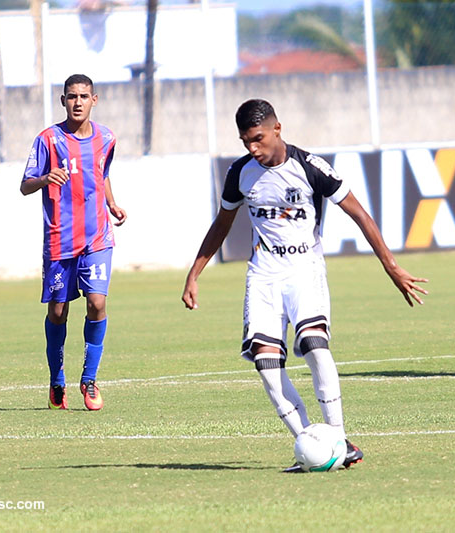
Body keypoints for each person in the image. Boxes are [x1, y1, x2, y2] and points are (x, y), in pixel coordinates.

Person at [182, 99, 428, 471]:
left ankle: (339, 439)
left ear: (277, 129)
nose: (253, 148)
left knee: (314, 346)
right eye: (246, 141)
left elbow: (360, 214)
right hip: (263, 275)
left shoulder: (310, 167)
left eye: (258, 139)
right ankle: (309, 444)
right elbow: (223, 223)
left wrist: (391, 267)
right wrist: (195, 272)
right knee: (266, 363)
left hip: (304, 269)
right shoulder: (240, 173)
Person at [21, 74, 127, 410]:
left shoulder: (107, 138)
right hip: (59, 240)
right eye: (71, 96)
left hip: (97, 237)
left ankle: (90, 379)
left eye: (83, 96)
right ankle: (57, 379)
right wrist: (44, 178)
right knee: (58, 312)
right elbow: (24, 185)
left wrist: (111, 203)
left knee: (97, 303)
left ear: (94, 99)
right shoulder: (48, 140)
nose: (77, 102)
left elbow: (102, 173)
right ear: (63, 100)